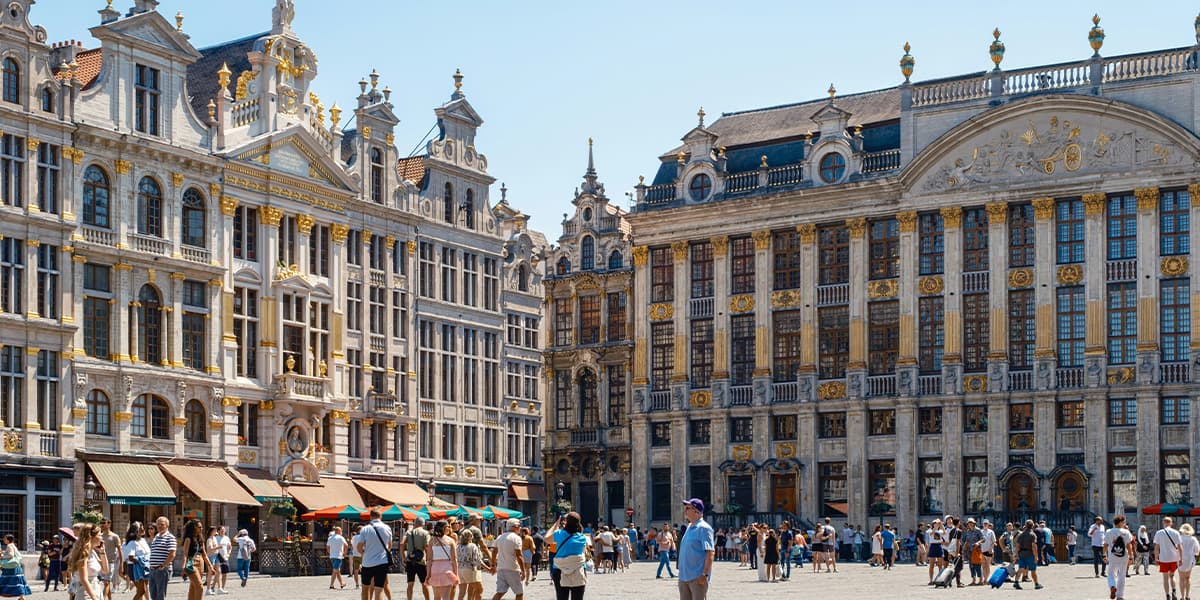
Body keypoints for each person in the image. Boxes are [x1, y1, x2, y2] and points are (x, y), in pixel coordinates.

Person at [677, 499, 713, 600]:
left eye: (688, 508)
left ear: (697, 511)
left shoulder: (704, 528)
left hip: (697, 577)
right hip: (684, 577)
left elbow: (710, 553)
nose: (685, 511)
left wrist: (704, 574)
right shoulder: (689, 526)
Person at [548, 513, 588, 600]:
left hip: (560, 570)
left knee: (561, 597)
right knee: (578, 598)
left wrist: (556, 524)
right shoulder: (582, 538)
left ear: (566, 522)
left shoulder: (558, 534)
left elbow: (547, 539)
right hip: (578, 570)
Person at [357, 508, 393, 600]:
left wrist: (364, 553)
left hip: (367, 563)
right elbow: (390, 546)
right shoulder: (387, 528)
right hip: (382, 562)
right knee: (379, 590)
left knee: (365, 589)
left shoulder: (365, 529)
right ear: (381, 516)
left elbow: (359, 547)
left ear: (370, 517)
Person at [67, 524, 104, 600]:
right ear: (91, 537)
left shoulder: (92, 552)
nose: (101, 538)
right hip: (86, 593)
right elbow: (84, 579)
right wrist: (94, 597)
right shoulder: (83, 553)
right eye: (99, 535)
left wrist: (103, 552)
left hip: (96, 589)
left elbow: (105, 570)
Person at [490, 519, 524, 600]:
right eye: (519, 526)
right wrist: (523, 571)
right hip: (513, 568)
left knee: (500, 592)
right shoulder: (516, 538)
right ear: (515, 527)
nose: (520, 528)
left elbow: (494, 552)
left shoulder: (500, 537)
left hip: (501, 568)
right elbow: (519, 556)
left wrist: (493, 565)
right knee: (519, 593)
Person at [1103, 514, 1135, 600]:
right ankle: (1120, 596)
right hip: (1124, 557)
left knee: (1110, 574)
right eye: (1123, 522)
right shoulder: (1126, 532)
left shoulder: (1109, 531)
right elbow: (1129, 546)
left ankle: (1112, 586)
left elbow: (1105, 545)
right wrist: (1131, 557)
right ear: (1120, 522)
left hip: (1112, 556)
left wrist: (1104, 555)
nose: (1124, 523)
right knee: (1122, 575)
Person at [400, 518, 431, 600]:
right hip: (421, 561)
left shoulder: (409, 532)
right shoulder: (425, 533)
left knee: (410, 584)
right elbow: (427, 547)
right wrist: (428, 560)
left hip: (410, 561)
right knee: (424, 584)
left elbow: (402, 543)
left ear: (415, 523)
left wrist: (403, 557)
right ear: (423, 524)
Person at [426, 522, 458, 600]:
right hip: (447, 569)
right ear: (443, 528)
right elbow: (454, 560)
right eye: (448, 527)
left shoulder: (432, 541)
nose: (450, 528)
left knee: (436, 597)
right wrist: (456, 574)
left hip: (435, 569)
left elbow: (429, 560)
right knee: (446, 596)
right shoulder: (450, 541)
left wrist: (428, 574)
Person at [181, 520, 212, 600]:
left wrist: (210, 567)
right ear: (194, 528)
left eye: (202, 527)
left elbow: (204, 555)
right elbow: (185, 554)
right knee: (200, 587)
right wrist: (183, 567)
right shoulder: (188, 539)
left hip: (200, 562)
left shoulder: (200, 539)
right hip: (190, 562)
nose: (201, 528)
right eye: (199, 527)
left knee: (193, 587)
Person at [1155, 516, 1184, 600]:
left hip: (1164, 558)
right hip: (1174, 558)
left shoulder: (1159, 533)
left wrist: (1156, 558)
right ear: (1171, 523)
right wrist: (1181, 558)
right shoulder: (1176, 532)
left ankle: (1167, 595)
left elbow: (1157, 547)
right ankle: (1174, 591)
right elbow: (1180, 547)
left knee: (1165, 577)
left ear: (1163, 523)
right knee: (1172, 575)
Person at [147, 517, 175, 600]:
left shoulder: (170, 537)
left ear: (167, 525)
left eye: (162, 524)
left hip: (162, 570)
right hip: (152, 569)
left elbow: (172, 554)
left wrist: (163, 566)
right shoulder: (156, 537)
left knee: (160, 595)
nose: (159, 526)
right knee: (153, 595)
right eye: (158, 524)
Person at [1012, 520, 1043, 590]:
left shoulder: (1021, 535)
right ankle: (1036, 584)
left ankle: (1016, 582)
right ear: (1032, 526)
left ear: (1025, 526)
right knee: (1033, 570)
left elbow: (1017, 546)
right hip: (1030, 554)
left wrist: (1016, 554)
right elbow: (1034, 546)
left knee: (1020, 569)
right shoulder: (1032, 535)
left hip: (1022, 554)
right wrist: (1036, 556)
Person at [122, 522, 150, 600]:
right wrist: (142, 561)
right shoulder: (132, 542)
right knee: (142, 590)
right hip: (135, 568)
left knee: (141, 590)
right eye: (141, 527)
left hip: (144, 567)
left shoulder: (143, 540)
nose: (143, 529)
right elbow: (131, 557)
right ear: (136, 530)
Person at [456, 530, 486, 600]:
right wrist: (488, 568)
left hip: (459, 569)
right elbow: (477, 560)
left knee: (462, 592)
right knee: (479, 589)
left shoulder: (458, 547)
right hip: (469, 569)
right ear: (470, 537)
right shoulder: (472, 546)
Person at [0, 532, 31, 598]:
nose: (4, 540)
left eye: (5, 538)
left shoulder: (9, 546)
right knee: (17, 582)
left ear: (8, 540)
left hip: (10, 568)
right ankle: (21, 597)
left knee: (6, 581)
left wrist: (2, 557)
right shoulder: (13, 545)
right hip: (16, 567)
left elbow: (10, 555)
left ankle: (21, 597)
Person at [98, 519, 121, 600]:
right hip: (100, 562)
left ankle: (104, 598)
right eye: (101, 523)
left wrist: (121, 564)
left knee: (107, 582)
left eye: (104, 523)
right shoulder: (99, 536)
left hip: (111, 562)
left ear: (109, 524)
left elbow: (120, 550)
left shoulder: (115, 536)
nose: (102, 525)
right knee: (105, 583)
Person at [1178, 523, 1199, 600]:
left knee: (1181, 578)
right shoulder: (1193, 539)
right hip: (1190, 559)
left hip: (1180, 559)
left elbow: (1175, 549)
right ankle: (1187, 595)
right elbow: (1197, 551)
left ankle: (1182, 596)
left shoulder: (1179, 538)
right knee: (1188, 578)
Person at [204, 527, 221, 596]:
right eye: (215, 530)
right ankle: (208, 589)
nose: (216, 531)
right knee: (210, 573)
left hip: (216, 555)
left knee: (219, 572)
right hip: (211, 556)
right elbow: (209, 548)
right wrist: (218, 547)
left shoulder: (214, 538)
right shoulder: (209, 539)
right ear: (212, 531)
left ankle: (219, 588)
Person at [215, 527, 231, 594]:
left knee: (225, 573)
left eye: (224, 530)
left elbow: (230, 546)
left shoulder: (227, 538)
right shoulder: (216, 538)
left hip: (225, 557)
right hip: (217, 556)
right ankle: (214, 587)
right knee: (218, 573)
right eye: (221, 530)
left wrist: (229, 553)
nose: (223, 531)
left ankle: (222, 588)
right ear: (218, 531)